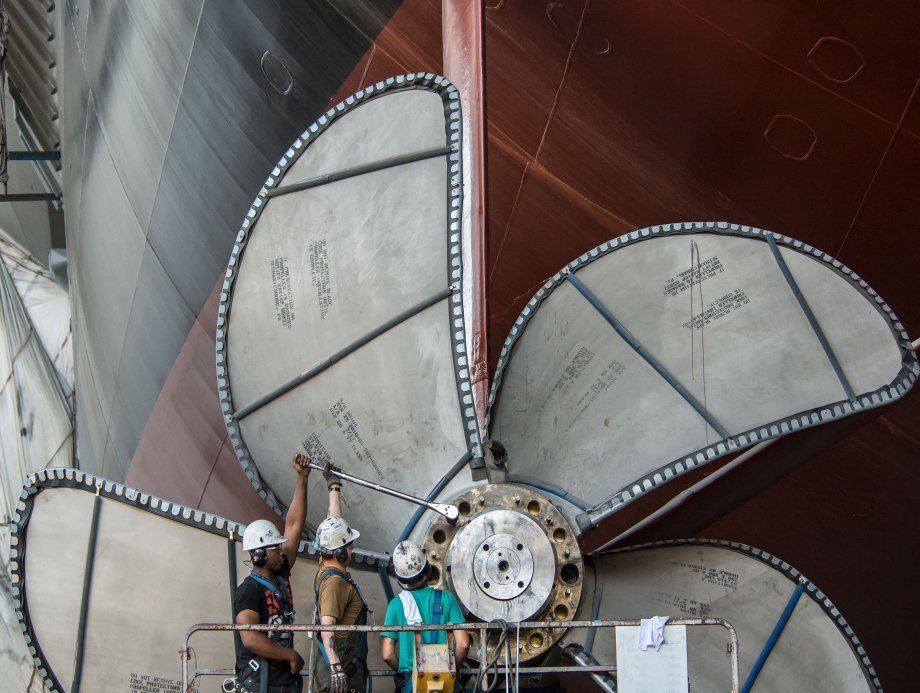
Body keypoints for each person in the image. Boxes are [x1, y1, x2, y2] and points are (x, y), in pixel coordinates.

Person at [233, 453, 311, 692]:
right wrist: (289, 654)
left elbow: (294, 524)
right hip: (261, 681)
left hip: (282, 681)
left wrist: (302, 478)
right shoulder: (248, 591)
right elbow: (250, 638)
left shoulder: (281, 574)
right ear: (259, 555)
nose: (281, 551)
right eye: (275, 547)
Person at [381, 540, 470, 693]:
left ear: (401, 579)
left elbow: (387, 654)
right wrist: (455, 667)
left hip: (412, 682)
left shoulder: (396, 605)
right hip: (444, 677)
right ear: (427, 569)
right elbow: (463, 643)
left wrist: (404, 670)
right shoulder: (446, 598)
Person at [310, 466, 368, 693]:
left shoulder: (326, 562)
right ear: (341, 552)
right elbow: (327, 627)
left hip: (342, 669)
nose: (352, 549)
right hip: (341, 672)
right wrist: (336, 668)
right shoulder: (335, 583)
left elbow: (334, 523)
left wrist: (334, 487)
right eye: (349, 546)